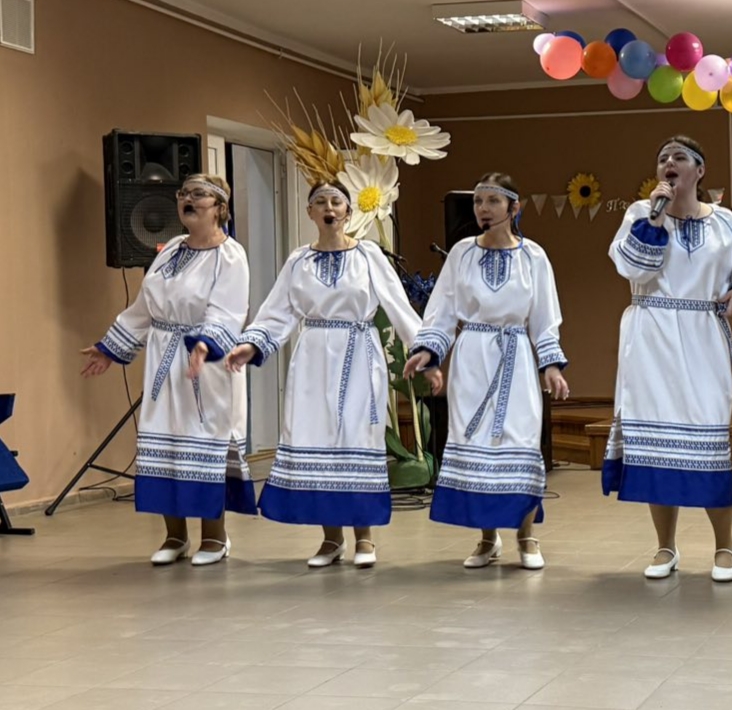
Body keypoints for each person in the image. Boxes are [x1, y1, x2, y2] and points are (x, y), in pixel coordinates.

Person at [225, 182, 439, 568]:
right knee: (318, 441)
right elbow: (278, 311)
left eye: (336, 201)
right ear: (310, 212)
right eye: (320, 202)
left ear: (348, 211)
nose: (329, 207)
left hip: (359, 356)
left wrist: (426, 353)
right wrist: (251, 345)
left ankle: (365, 539)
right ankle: (331, 540)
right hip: (313, 359)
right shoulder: (299, 261)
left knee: (358, 439)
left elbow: (398, 305)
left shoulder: (368, 255)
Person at [603, 136, 732, 582]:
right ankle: (665, 547)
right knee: (657, 444)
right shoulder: (640, 212)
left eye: (679, 157)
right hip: (651, 336)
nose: (668, 163)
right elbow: (632, 268)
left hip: (702, 336)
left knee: (709, 442)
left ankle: (725, 547)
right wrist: (655, 218)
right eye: (662, 158)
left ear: (700, 171)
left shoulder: (725, 222)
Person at [81, 174, 253, 565]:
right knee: (165, 443)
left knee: (205, 443)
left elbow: (229, 310)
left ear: (219, 207)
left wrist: (205, 344)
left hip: (206, 363)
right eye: (183, 194)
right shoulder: (171, 249)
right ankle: (175, 537)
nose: (188, 200)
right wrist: (111, 348)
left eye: (199, 194)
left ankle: (215, 538)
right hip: (164, 356)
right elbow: (144, 306)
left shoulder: (230, 255)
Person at [403, 173, 569, 570]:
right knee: (475, 443)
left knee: (520, 443)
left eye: (493, 201)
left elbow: (545, 317)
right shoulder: (462, 253)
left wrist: (550, 365)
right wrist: (428, 353)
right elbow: (442, 310)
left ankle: (526, 537)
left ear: (514, 207)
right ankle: (487, 538)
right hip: (473, 357)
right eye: (478, 201)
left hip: (516, 357)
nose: (483, 209)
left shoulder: (533, 256)